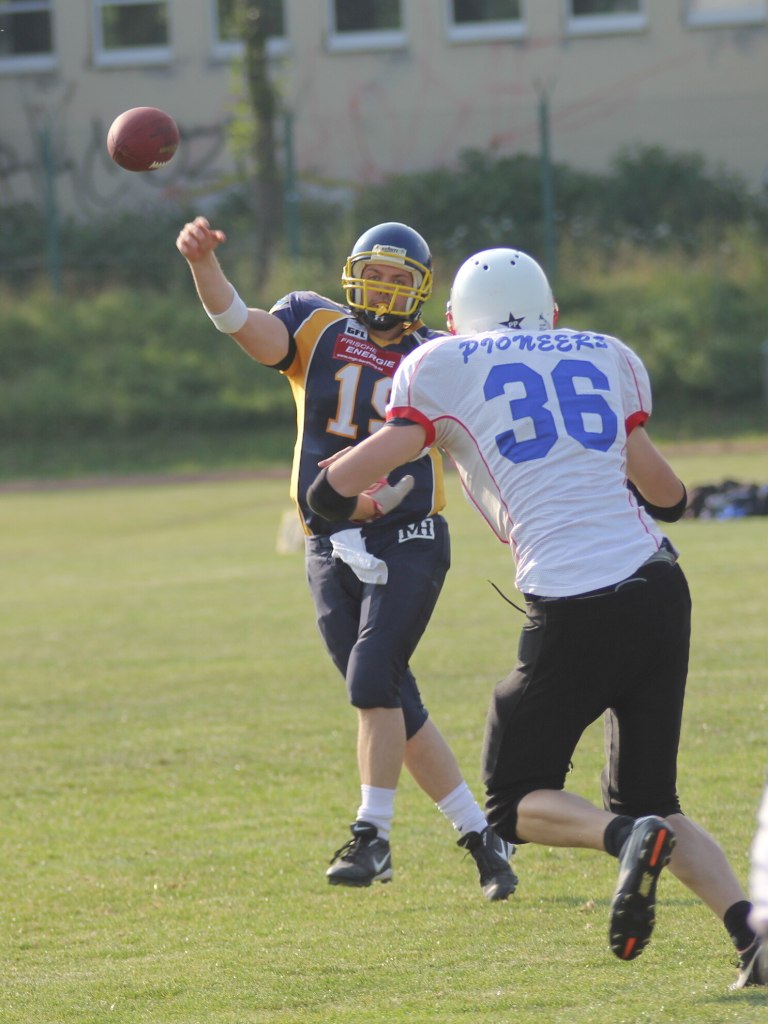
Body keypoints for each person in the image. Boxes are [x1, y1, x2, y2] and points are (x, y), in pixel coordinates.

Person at [306, 246, 766, 986]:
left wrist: (330, 491)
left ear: (453, 318)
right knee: (654, 796)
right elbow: (670, 496)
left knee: (513, 804)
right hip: (659, 588)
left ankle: (625, 837)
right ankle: (753, 938)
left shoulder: (443, 362)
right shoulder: (605, 354)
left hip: (573, 602)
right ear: (550, 312)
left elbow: (346, 481)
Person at [175, 218, 517, 900]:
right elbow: (240, 323)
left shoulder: (439, 353)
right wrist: (203, 264)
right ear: (352, 277)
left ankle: (372, 836)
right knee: (390, 698)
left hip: (408, 531)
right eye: (375, 275)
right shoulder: (316, 325)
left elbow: (484, 438)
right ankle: (483, 839)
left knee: (371, 677)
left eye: (398, 279)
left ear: (420, 289)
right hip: (327, 538)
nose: (384, 290)